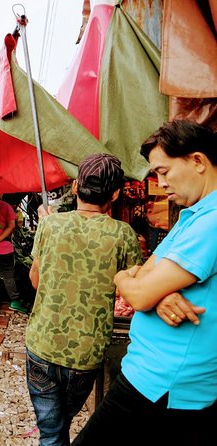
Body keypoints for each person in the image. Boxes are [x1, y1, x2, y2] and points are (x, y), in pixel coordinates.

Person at [73, 121, 217, 446]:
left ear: (197, 161)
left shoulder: (211, 222)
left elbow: (137, 291)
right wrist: (155, 292)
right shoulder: (192, 215)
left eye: (164, 171)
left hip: (165, 380)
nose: (161, 183)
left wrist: (141, 286)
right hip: (156, 373)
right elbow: (142, 271)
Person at [26, 154, 141, 446]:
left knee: (52, 431)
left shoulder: (50, 225)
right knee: (61, 425)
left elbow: (35, 280)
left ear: (76, 187)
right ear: (115, 194)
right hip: (86, 354)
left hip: (42, 344)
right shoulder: (124, 234)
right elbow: (133, 291)